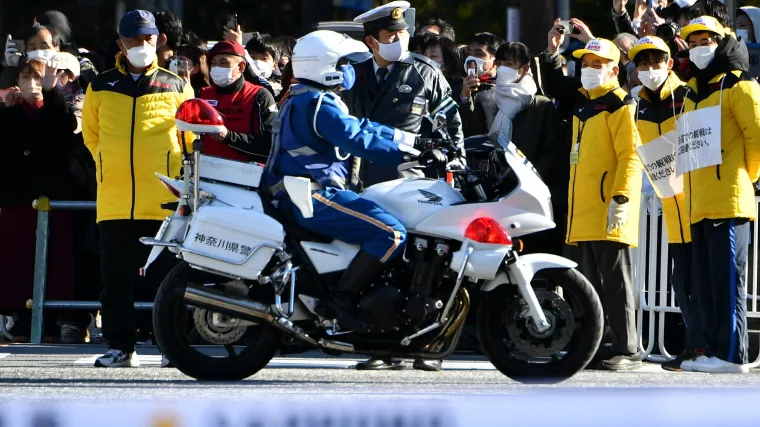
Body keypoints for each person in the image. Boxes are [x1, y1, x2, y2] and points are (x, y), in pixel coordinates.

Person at [262, 29, 445, 347]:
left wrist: (415, 140)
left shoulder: (307, 98)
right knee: (392, 233)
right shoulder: (318, 104)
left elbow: (363, 127)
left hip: (301, 191)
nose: (350, 70)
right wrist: (411, 155)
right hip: (315, 195)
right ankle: (342, 300)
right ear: (325, 65)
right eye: (344, 62)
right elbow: (357, 140)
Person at [343, 0, 463, 372]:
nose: (399, 39)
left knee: (424, 268)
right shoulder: (353, 74)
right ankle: (381, 345)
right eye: (390, 35)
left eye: (403, 33)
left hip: (413, 184)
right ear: (372, 42)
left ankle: (431, 346)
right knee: (378, 266)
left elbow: (451, 125)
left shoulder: (425, 73)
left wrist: (454, 161)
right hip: (364, 182)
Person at [82, 10, 194, 368]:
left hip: (163, 198)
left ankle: (168, 346)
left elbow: (189, 138)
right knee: (115, 280)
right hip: (115, 199)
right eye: (133, 40)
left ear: (158, 41)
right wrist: (108, 164)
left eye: (147, 39)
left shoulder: (176, 84)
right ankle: (121, 346)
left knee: (166, 281)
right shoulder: (99, 85)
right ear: (121, 43)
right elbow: (91, 136)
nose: (141, 46)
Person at [542, 23, 644, 371]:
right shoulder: (584, 104)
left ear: (615, 69)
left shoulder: (621, 104)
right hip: (582, 210)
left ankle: (627, 348)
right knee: (587, 286)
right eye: (585, 64)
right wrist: (554, 51)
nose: (589, 70)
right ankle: (597, 343)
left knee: (615, 283)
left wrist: (621, 199)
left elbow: (631, 156)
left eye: (597, 64)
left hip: (608, 206)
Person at [677, 16, 760, 373]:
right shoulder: (694, 92)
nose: (699, 47)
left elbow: (757, 137)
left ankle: (731, 355)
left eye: (706, 40)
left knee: (728, 283)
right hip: (699, 204)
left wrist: (744, 176)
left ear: (722, 40)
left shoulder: (740, 86)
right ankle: (710, 350)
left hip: (727, 199)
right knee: (707, 285)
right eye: (692, 42)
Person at [627, 36, 701, 371]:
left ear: (670, 63)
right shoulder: (637, 104)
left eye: (655, 62)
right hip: (669, 208)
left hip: (698, 205)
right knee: (681, 279)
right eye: (642, 64)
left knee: (698, 279)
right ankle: (694, 346)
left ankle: (704, 346)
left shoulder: (688, 95)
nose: (649, 69)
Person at [0, 58, 77, 341]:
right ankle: (20, 317)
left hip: (52, 197)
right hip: (18, 198)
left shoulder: (56, 109)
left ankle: (53, 317)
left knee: (55, 261)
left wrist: (53, 91)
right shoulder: (7, 115)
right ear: (17, 81)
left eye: (37, 78)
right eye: (26, 77)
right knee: (17, 259)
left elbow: (65, 129)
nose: (32, 84)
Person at [200, 41, 277, 163]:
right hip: (207, 170)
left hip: (247, 174)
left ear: (241, 66)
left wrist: (228, 137)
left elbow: (271, 144)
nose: (216, 68)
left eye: (223, 63)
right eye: (213, 64)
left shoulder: (260, 96)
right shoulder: (203, 95)